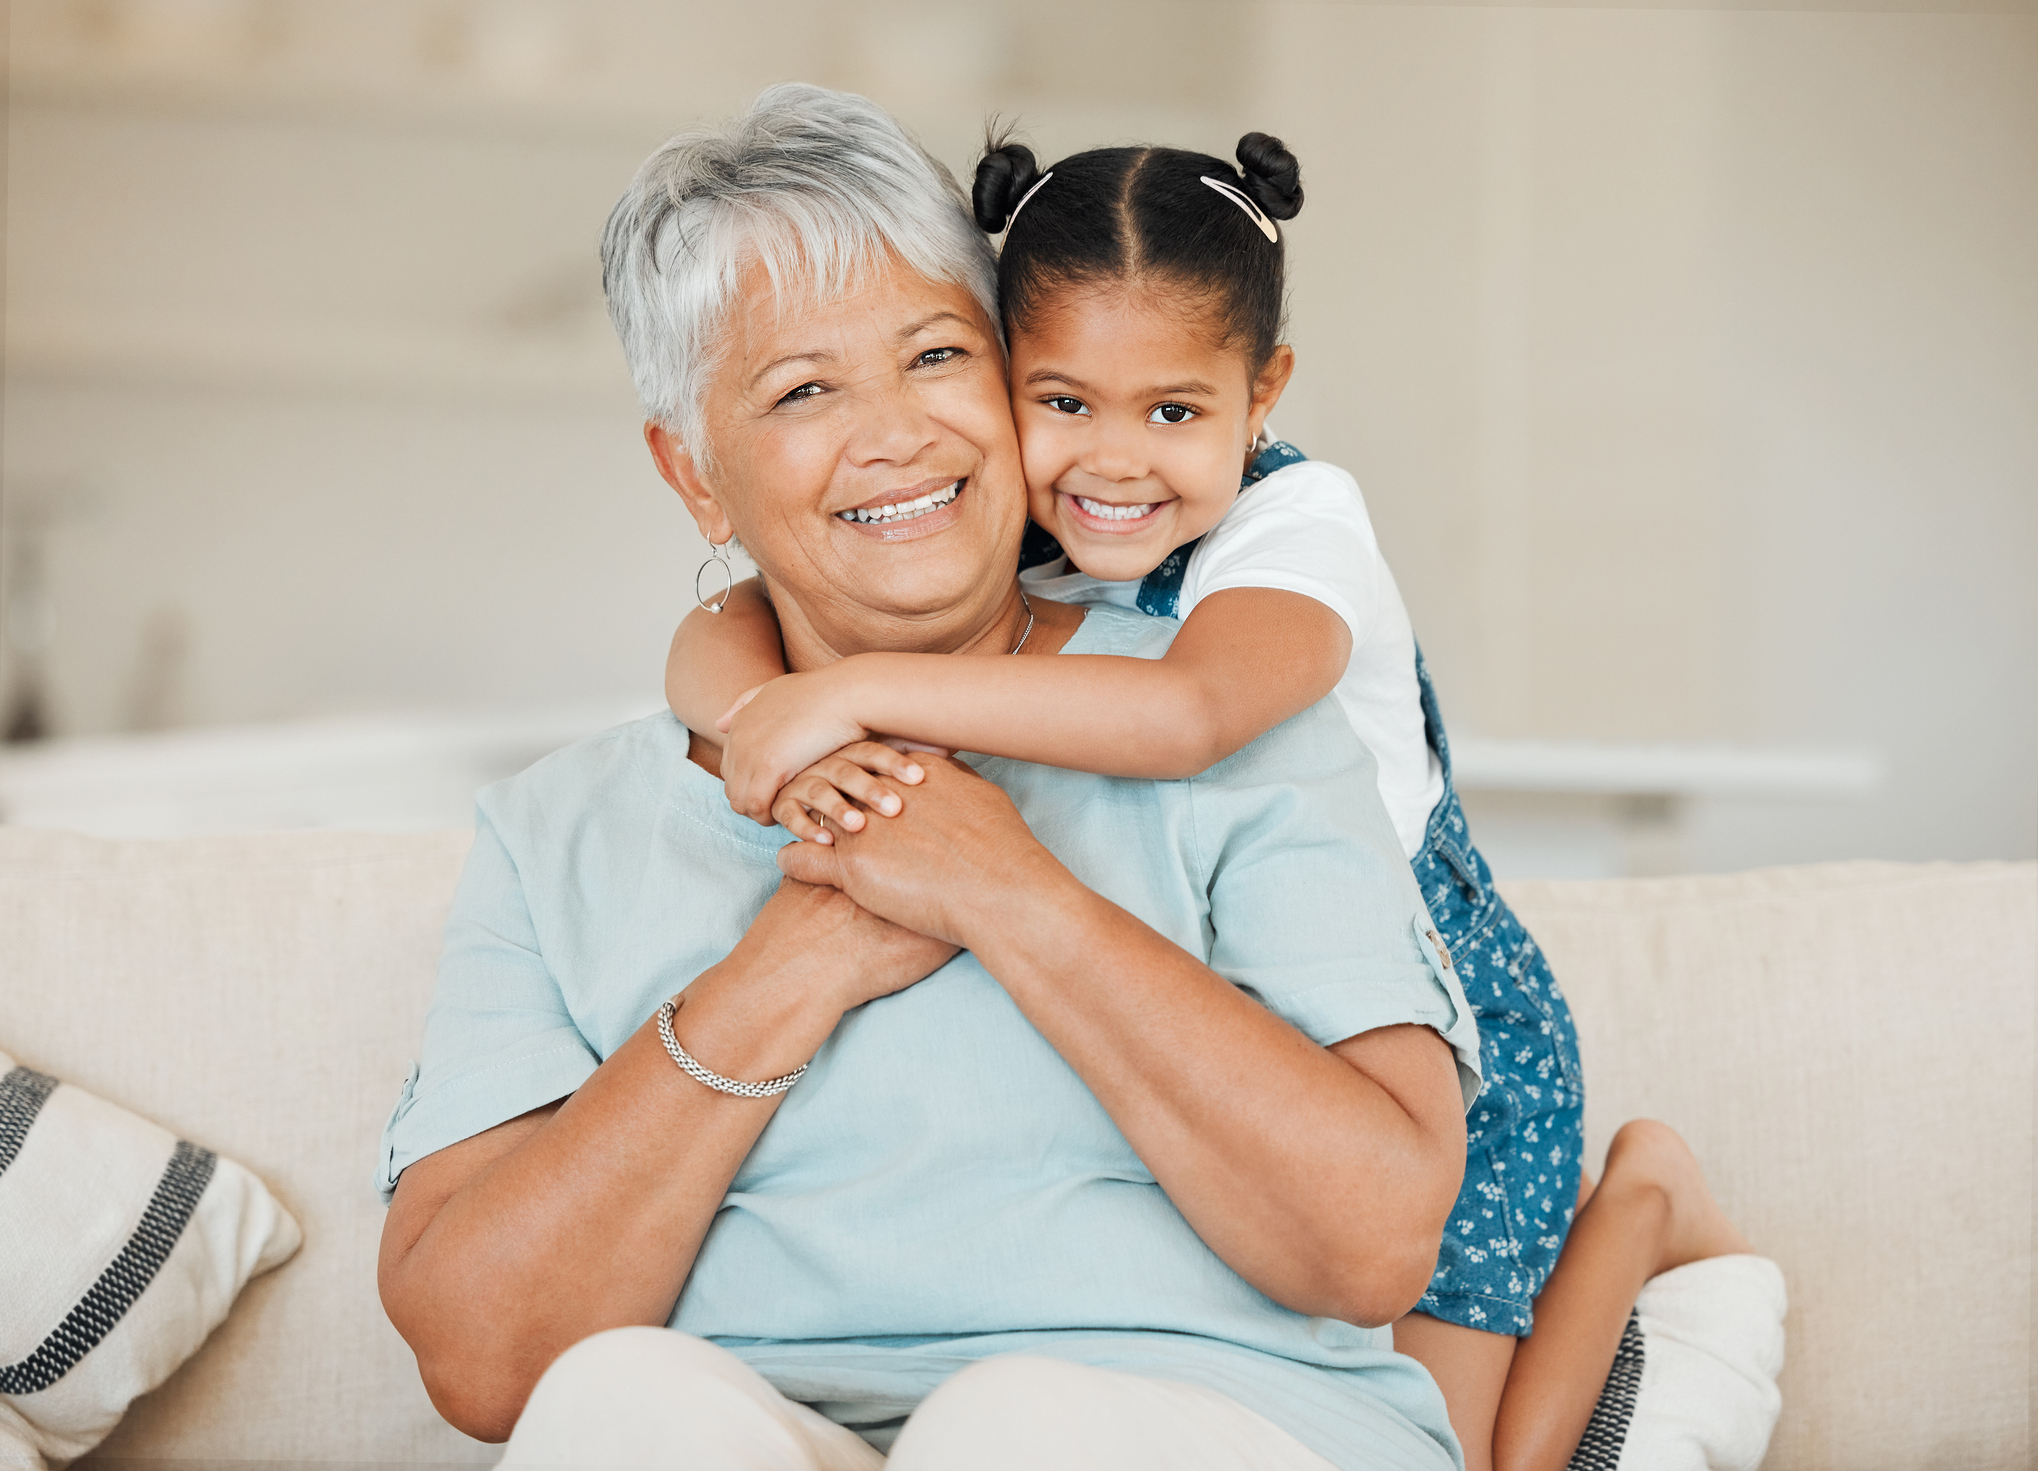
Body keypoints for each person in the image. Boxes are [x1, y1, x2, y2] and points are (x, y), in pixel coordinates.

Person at [376, 83, 1491, 1471]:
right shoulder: (558, 833)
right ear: (695, 476)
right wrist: (790, 968)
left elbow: (1375, 1242)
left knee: (1009, 1430)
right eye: (801, 389)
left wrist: (1005, 889)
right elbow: (484, 1364)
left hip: (1216, 1419)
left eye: (934, 357)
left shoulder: (1237, 727)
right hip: (756, 1424)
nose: (895, 433)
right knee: (623, 1406)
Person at [666, 131, 1754, 1471]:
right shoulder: (1036, 492)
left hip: (1419, 1006)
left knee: (1474, 1453)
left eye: (1173, 413)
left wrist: (852, 692)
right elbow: (720, 620)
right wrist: (751, 722)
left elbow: (1183, 717)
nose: (1114, 462)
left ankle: (1648, 1201)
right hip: (1217, 965)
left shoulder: (1297, 533)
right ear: (1007, 377)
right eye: (1061, 401)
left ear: (1263, 393)